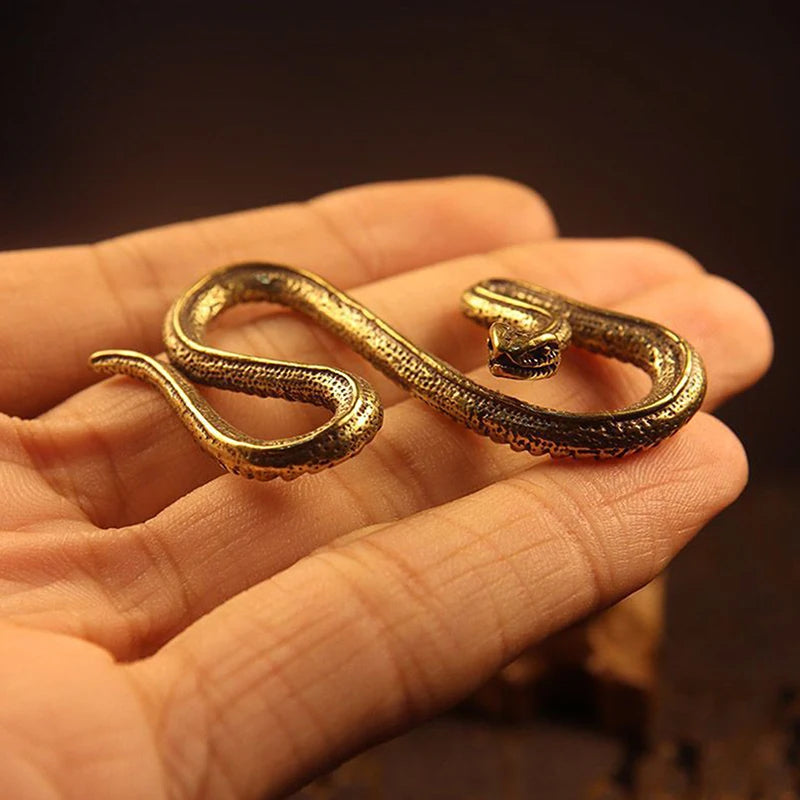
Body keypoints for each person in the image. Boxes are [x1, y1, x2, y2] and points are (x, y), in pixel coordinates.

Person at [0, 176, 772, 798]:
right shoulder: (495, 308)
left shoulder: (552, 322)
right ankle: (197, 360)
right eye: (515, 351)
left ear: (557, 335)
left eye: (531, 354)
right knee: (351, 401)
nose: (517, 363)